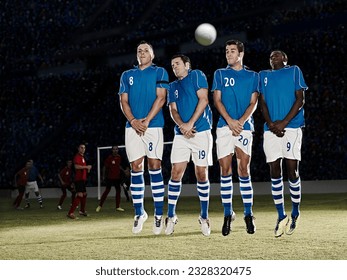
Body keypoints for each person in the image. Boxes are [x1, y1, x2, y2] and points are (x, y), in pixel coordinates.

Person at [119, 41, 169, 234]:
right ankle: (139, 213)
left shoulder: (160, 72)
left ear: (153, 55)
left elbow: (161, 97)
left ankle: (158, 214)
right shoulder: (127, 75)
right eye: (139, 50)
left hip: (153, 126)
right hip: (132, 127)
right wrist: (133, 121)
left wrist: (146, 120)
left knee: (154, 166)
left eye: (146, 50)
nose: (142, 52)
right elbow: (123, 101)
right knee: (135, 167)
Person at [212, 39, 259, 236]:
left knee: (243, 169)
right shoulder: (220, 74)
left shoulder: (253, 75)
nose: (228, 54)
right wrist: (230, 121)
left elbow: (254, 102)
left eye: (232, 51)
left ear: (241, 54)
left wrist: (239, 121)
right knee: (225, 170)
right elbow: (217, 100)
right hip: (224, 127)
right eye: (226, 51)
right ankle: (227, 214)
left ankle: (248, 214)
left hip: (244, 127)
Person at [258, 50, 308, 237]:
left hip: (292, 127)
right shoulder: (263, 75)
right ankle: (281, 215)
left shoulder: (294, 71)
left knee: (292, 170)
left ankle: (295, 212)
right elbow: (262, 103)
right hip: (270, 129)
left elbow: (300, 100)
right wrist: (271, 124)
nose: (273, 57)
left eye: (278, 55)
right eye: (271, 55)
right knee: (274, 171)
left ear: (285, 59)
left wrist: (283, 123)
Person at [165, 54, 213, 236]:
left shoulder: (197, 75)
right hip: (181, 134)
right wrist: (182, 126)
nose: (174, 66)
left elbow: (204, 100)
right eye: (172, 64)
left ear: (187, 64)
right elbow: (173, 110)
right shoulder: (172, 86)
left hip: (200, 132)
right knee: (176, 173)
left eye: (177, 63)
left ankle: (204, 216)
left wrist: (190, 124)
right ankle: (171, 216)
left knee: (201, 174)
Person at [96, 146, 126, 212]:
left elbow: (119, 166)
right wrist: (103, 176)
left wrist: (124, 171)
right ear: (112, 150)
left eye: (116, 149)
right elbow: (104, 167)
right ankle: (99, 206)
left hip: (117, 178)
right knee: (107, 191)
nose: (115, 150)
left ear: (118, 150)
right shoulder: (109, 158)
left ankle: (117, 207)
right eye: (114, 149)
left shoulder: (119, 157)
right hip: (110, 177)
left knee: (118, 191)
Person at [67, 143, 92, 219]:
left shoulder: (82, 157)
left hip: (83, 179)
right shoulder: (77, 156)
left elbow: (82, 167)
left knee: (84, 194)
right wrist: (86, 167)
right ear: (78, 148)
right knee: (80, 195)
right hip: (79, 179)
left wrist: (87, 169)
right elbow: (76, 167)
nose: (83, 149)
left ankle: (82, 211)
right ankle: (70, 213)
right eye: (81, 147)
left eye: (84, 148)